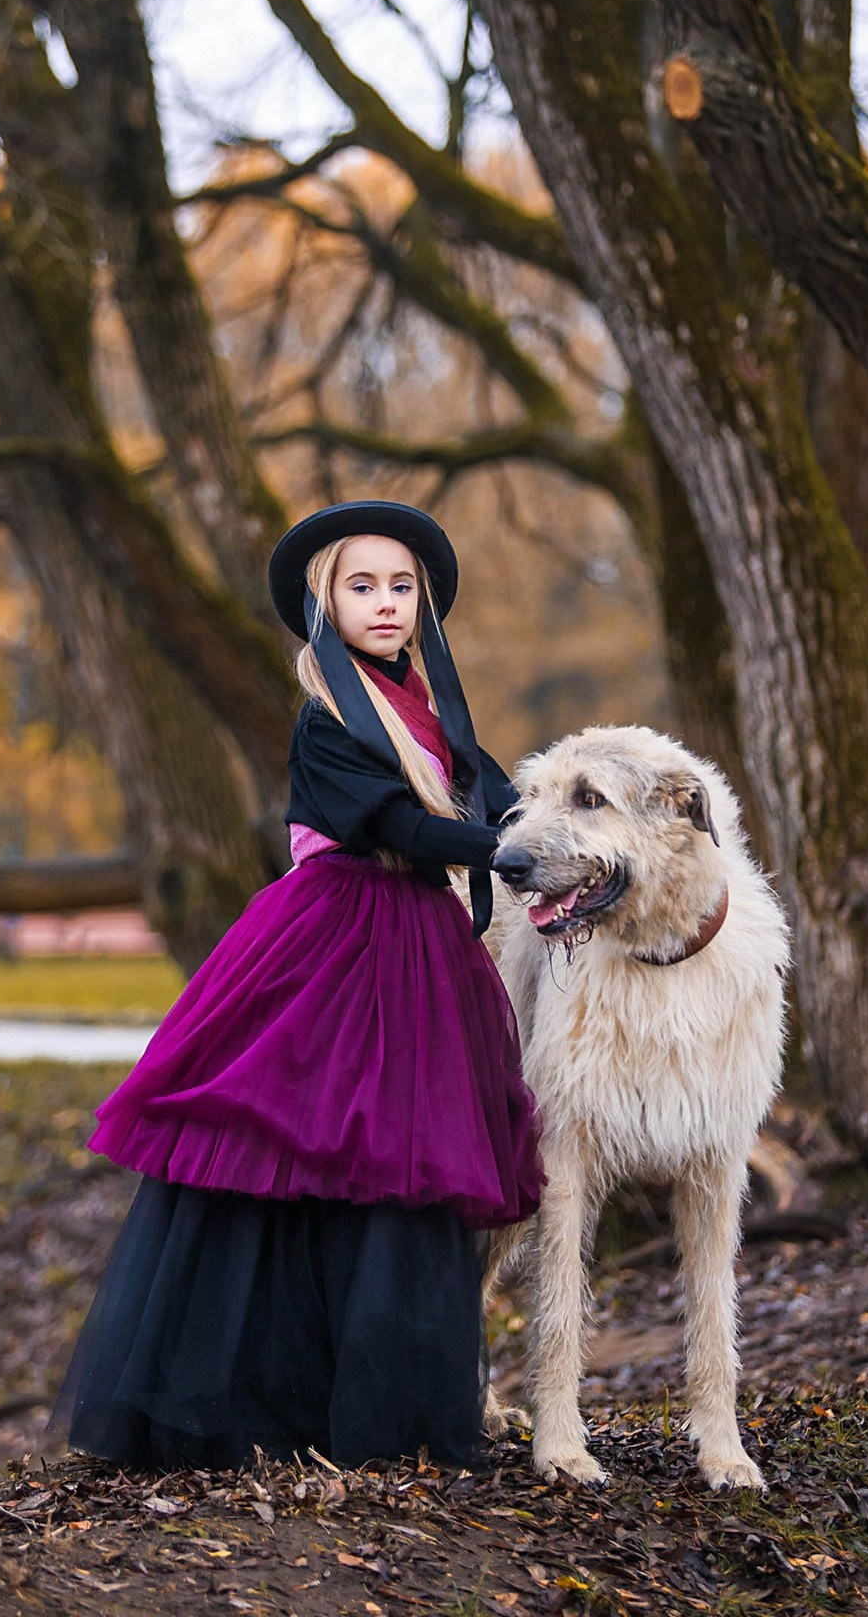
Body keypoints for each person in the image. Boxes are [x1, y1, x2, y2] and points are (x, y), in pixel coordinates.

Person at [53, 500, 542, 1472]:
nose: (387, 603)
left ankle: (393, 1410)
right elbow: (403, 829)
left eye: (403, 586)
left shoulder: (434, 716)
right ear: (327, 604)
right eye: (363, 586)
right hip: (328, 944)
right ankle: (261, 1402)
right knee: (302, 1148)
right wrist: (514, 851)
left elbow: (501, 794)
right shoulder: (326, 722)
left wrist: (563, 825)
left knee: (405, 1160)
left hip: (421, 947)